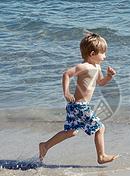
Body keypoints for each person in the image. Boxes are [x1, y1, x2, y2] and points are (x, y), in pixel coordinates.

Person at [39, 32, 119, 164]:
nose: (105, 56)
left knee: (71, 132)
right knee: (100, 127)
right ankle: (101, 156)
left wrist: (109, 77)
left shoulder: (97, 66)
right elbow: (66, 74)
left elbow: (100, 83)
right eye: (103, 53)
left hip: (78, 106)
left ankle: (45, 145)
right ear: (92, 54)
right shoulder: (84, 67)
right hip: (79, 106)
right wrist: (67, 93)